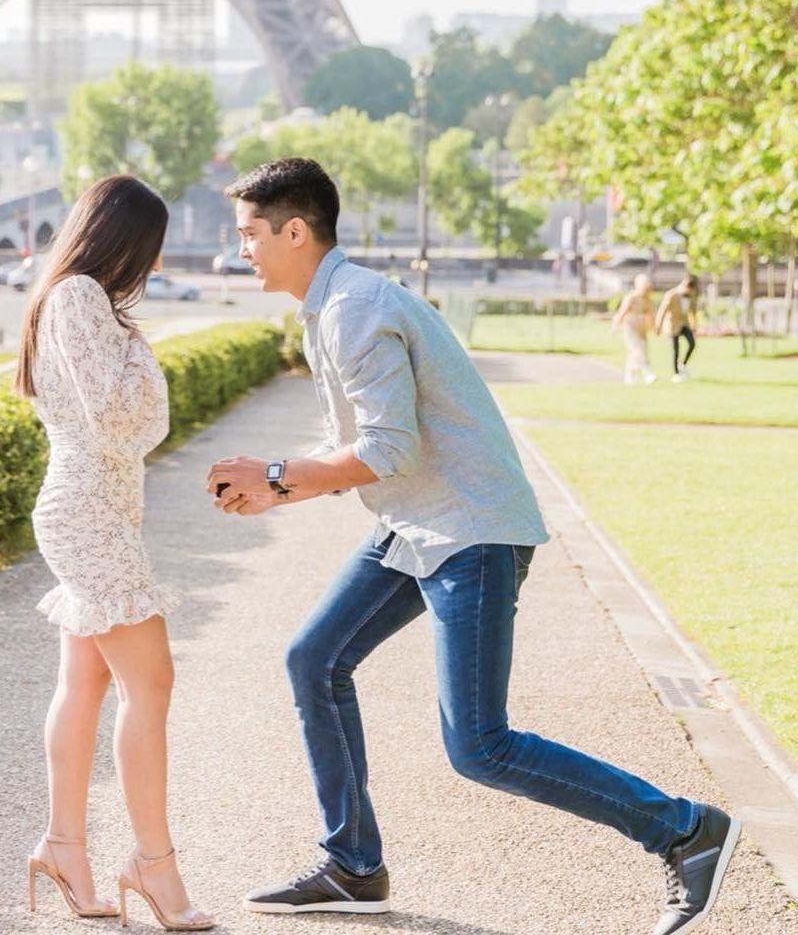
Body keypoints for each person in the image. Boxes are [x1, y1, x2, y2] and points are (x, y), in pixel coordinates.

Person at [206, 159, 739, 932]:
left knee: (480, 746)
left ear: (295, 232)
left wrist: (278, 473)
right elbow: (363, 445)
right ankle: (354, 865)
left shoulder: (354, 309)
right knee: (313, 659)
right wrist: (276, 489)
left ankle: (685, 830)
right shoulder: (329, 309)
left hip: (470, 530)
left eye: (249, 234)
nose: (240, 250)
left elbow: (386, 450)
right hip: (416, 526)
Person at [13, 175, 212, 931]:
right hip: (88, 509)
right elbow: (119, 418)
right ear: (122, 240)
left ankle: (64, 846)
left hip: (91, 506)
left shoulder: (70, 298)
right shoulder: (79, 298)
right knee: (151, 682)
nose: (155, 266)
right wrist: (140, 358)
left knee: (87, 681)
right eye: (152, 249)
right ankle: (153, 865)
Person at [613, 273, 659, 384]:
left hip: (641, 328)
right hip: (629, 327)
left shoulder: (647, 299)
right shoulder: (631, 297)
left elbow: (650, 314)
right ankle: (647, 372)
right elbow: (622, 311)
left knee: (637, 351)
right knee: (636, 350)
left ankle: (629, 375)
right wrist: (615, 325)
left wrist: (654, 328)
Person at [655, 273, 699, 381]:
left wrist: (694, 325)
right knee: (676, 349)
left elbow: (692, 311)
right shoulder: (672, 294)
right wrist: (658, 325)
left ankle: (682, 365)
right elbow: (663, 310)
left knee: (692, 343)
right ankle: (676, 373)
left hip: (684, 323)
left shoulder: (692, 295)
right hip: (672, 324)